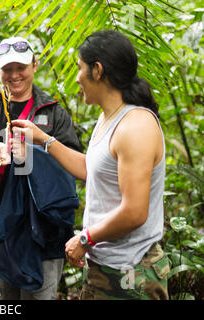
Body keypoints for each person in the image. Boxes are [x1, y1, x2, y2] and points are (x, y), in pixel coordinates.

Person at [12, 30, 169, 300]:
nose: (76, 78)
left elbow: (134, 212)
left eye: (79, 68)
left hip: (132, 273)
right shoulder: (108, 117)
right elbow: (94, 170)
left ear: (97, 70)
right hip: (107, 269)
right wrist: (44, 140)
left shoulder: (136, 127)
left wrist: (86, 239)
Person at [0, 36, 82, 300]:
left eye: (21, 68)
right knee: (9, 296)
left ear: (35, 65)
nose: (14, 75)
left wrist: (34, 153)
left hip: (44, 226)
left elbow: (74, 162)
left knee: (40, 294)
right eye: (7, 69)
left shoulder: (52, 112)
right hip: (2, 225)